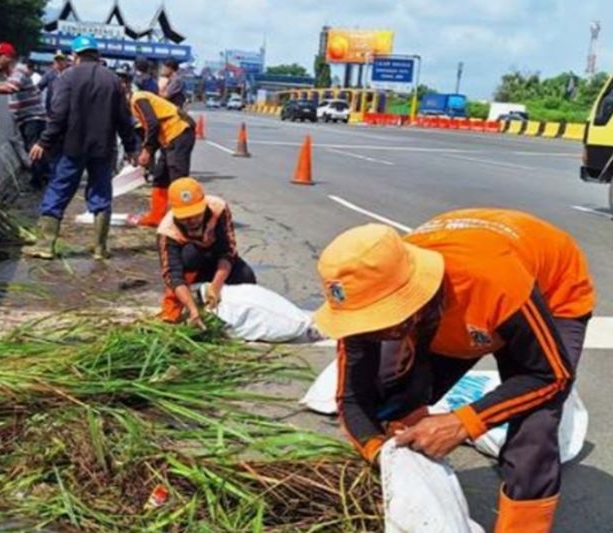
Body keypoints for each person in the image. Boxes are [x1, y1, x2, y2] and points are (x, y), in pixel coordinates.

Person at [313, 209, 595, 533]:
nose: (373, 333)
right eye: (366, 323)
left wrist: (462, 423)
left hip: (547, 294)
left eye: (381, 321)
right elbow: (353, 399)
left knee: (534, 429)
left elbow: (550, 375)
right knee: (391, 395)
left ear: (412, 296)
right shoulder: (369, 286)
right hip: (459, 315)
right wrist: (385, 457)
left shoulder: (493, 278)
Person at [27, 35, 137, 261]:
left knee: (59, 191)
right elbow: (123, 119)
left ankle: (46, 246)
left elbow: (58, 115)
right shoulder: (113, 80)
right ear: (97, 54)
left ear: (75, 56)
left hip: (71, 147)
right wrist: (131, 147)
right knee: (100, 194)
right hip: (103, 148)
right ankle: (99, 248)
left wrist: (44, 142)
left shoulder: (67, 77)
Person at [157, 177, 256, 327]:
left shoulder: (218, 208)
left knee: (246, 276)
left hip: (217, 261)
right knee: (191, 255)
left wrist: (215, 287)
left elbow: (228, 252)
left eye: (196, 214)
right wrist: (192, 310)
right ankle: (189, 299)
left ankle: (226, 307)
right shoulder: (167, 231)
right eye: (185, 217)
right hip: (191, 268)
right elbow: (172, 274)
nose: (192, 220)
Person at [0, 42, 49, 189]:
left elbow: (9, 88)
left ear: (8, 57)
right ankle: (43, 177)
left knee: (33, 149)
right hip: (28, 118)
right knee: (33, 149)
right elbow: (3, 84)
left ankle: (38, 181)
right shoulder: (12, 73)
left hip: (32, 118)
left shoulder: (18, 71)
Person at [130, 87, 195, 226]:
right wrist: (146, 151)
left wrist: (147, 151)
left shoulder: (138, 98)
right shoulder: (135, 105)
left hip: (179, 132)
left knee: (177, 177)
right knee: (161, 176)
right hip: (168, 138)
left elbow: (153, 124)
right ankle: (157, 216)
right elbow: (150, 129)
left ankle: (184, 219)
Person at [37, 50, 68, 115]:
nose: (59, 62)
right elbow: (39, 87)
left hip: (66, 110)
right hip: (51, 110)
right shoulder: (49, 74)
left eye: (61, 59)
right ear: (54, 61)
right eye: (57, 60)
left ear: (66, 61)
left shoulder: (70, 73)